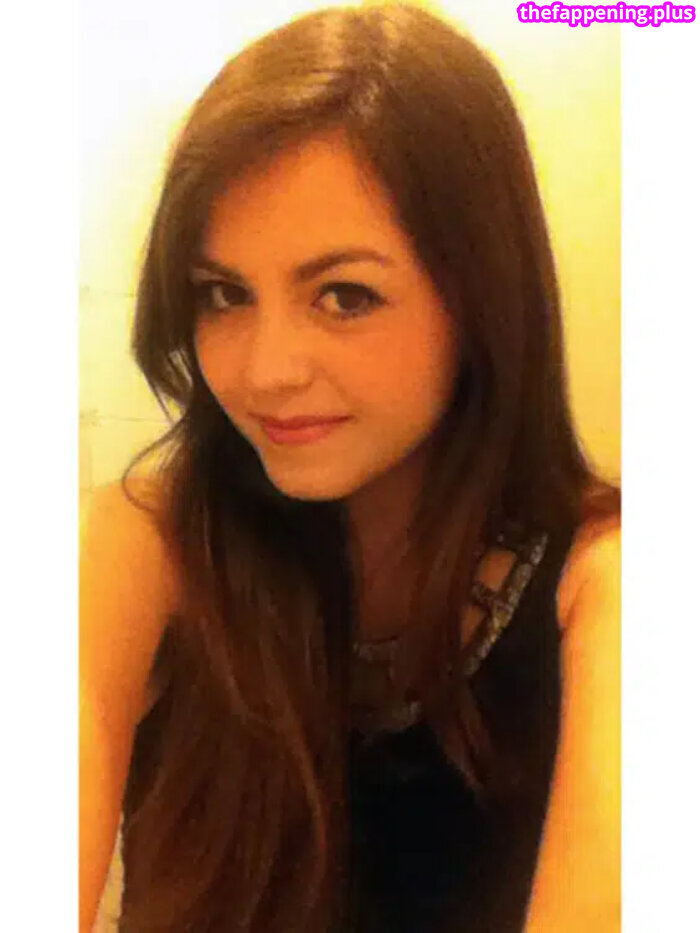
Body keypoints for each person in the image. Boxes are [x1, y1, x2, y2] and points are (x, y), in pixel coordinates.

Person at [79, 4, 621, 931]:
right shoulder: (144, 542)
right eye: (224, 294)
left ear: (480, 299)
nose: (264, 371)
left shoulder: (607, 585)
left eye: (344, 295)